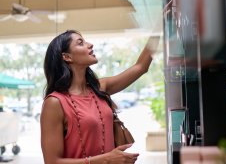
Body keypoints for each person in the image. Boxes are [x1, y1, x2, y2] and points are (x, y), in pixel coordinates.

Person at [41, 30, 159, 164]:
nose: (90, 45)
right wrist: (107, 159)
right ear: (67, 57)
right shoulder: (55, 103)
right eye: (81, 43)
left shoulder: (99, 88)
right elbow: (52, 161)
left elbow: (141, 67)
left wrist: (159, 29)